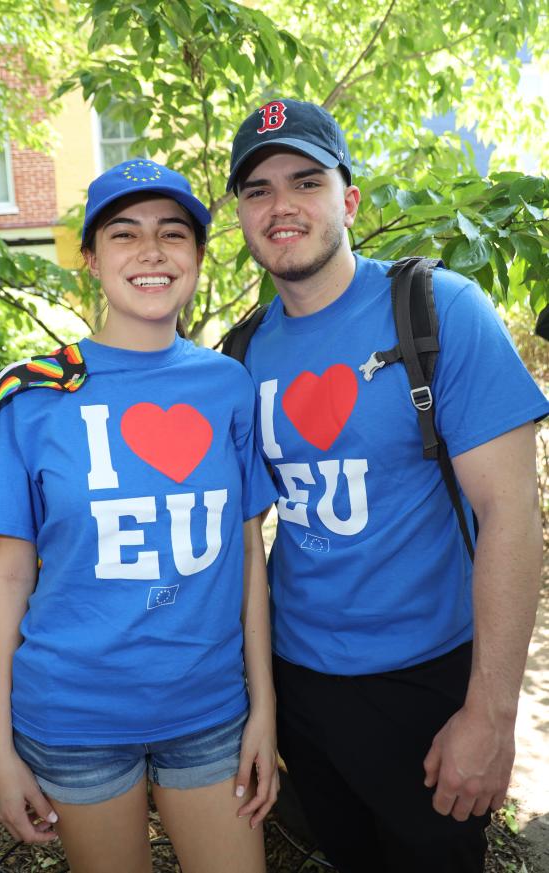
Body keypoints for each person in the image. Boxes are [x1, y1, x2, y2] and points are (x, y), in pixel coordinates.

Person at [226, 99, 548, 873]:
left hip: (426, 683)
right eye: (258, 189)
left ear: (350, 198)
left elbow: (511, 513)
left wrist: (491, 713)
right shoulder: (239, 356)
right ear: (239, 213)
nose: (282, 206)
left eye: (306, 181)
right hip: (301, 689)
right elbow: (236, 543)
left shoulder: (437, 311)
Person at [0, 159, 279, 873]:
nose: (151, 252)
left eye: (174, 234)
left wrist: (263, 709)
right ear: (90, 258)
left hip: (208, 709)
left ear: (198, 257)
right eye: (124, 233)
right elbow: (8, 580)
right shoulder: (35, 395)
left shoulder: (228, 386)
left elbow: (247, 559)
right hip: (74, 717)